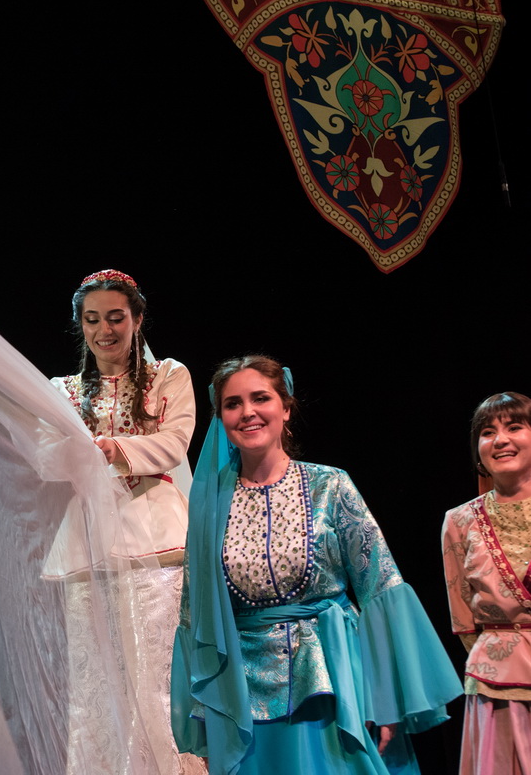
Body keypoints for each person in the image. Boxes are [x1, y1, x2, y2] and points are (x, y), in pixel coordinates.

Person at [172, 355, 461, 775]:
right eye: (233, 403)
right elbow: (194, 612)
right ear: (221, 418)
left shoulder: (331, 485)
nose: (248, 412)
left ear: (286, 408)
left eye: (260, 398)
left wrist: (387, 699)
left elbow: (380, 584)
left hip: (332, 682)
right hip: (242, 701)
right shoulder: (210, 505)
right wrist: (201, 712)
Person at [50, 269, 204, 774]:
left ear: (137, 319)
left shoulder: (169, 377)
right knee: (94, 682)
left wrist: (113, 450)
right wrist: (75, 454)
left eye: (116, 317)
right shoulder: (62, 390)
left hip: (156, 536)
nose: (105, 330)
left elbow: (174, 444)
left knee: (154, 679)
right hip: (87, 541)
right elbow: (43, 454)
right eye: (92, 319)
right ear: (81, 324)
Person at [443, 392, 531, 774]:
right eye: (488, 432)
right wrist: (499, 659)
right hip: (497, 684)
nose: (500, 440)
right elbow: (462, 616)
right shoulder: (460, 521)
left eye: (515, 427)